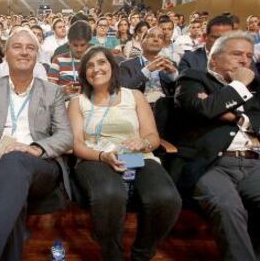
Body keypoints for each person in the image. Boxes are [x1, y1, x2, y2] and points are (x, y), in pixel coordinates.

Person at [0, 27, 73, 260]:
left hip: (40, 166)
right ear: (5, 54)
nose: (24, 52)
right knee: (11, 187)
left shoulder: (52, 91)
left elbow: (66, 136)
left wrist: (34, 148)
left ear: (37, 55)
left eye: (31, 48)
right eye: (17, 46)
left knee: (14, 161)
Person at [68, 46, 181, 260]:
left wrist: (143, 142)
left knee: (165, 198)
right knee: (109, 194)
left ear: (112, 66)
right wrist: (102, 156)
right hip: (96, 158)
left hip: (134, 156)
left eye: (101, 62)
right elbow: (78, 145)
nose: (96, 69)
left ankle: (142, 253)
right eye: (90, 65)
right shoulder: (77, 102)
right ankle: (113, 255)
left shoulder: (134, 96)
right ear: (84, 73)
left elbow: (152, 137)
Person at [174, 31, 260, 261]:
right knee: (228, 208)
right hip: (211, 163)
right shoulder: (192, 78)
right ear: (214, 59)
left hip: (254, 160)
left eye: (249, 56)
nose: (244, 61)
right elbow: (203, 109)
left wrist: (234, 115)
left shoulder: (257, 87)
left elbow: (213, 107)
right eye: (237, 54)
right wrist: (239, 85)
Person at [119, 26, 178, 104]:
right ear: (141, 42)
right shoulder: (126, 65)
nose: (156, 39)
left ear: (163, 44)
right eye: (151, 36)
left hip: (165, 106)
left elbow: (179, 92)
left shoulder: (170, 64)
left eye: (160, 37)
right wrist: (147, 70)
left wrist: (173, 75)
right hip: (138, 106)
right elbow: (123, 90)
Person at [48, 20, 92, 99]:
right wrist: (63, 90)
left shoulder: (93, 61)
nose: (79, 49)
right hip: (65, 104)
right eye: (75, 45)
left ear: (88, 43)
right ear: (69, 43)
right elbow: (50, 92)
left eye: (82, 45)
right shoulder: (58, 60)